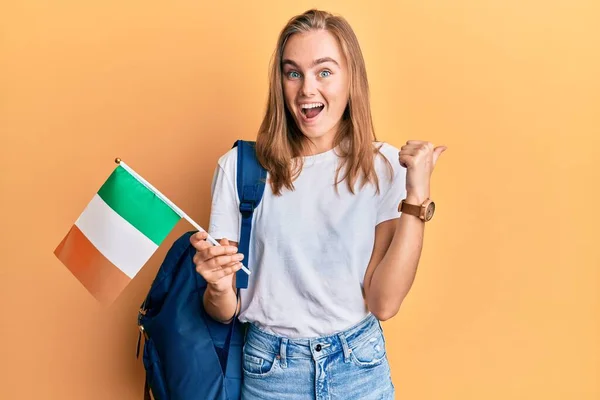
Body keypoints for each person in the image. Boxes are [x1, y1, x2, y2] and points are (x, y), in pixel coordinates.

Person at [191, 8, 446, 400]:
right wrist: (217, 286)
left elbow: (384, 301)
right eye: (293, 72)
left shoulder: (384, 167)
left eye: (324, 71)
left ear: (351, 79)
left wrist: (416, 195)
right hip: (270, 371)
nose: (307, 88)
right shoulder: (239, 169)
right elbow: (224, 309)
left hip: (359, 366)